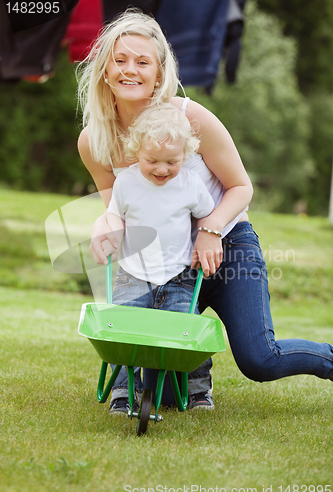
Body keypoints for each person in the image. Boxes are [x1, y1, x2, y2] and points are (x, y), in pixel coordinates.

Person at [77, 9, 333, 413]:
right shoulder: (94, 140)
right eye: (120, 60)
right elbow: (117, 211)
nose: (130, 70)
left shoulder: (190, 117)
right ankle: (195, 371)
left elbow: (241, 186)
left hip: (227, 248)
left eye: (142, 62)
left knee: (259, 359)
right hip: (166, 264)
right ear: (104, 70)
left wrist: (211, 227)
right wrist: (102, 225)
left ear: (159, 72)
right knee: (160, 394)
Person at [105, 102, 215, 413]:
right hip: (133, 275)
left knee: (187, 330)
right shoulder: (126, 182)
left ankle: (198, 390)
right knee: (125, 332)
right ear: (136, 151)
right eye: (152, 160)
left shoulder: (190, 184)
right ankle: (124, 392)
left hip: (178, 277)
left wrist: (205, 237)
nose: (162, 169)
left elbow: (207, 217)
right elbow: (115, 216)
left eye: (172, 161)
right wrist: (110, 234)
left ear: (186, 154)